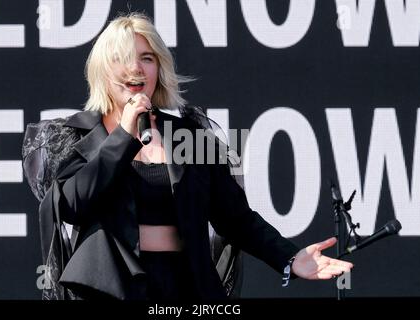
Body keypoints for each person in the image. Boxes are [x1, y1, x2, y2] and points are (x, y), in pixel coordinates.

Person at [22, 12, 353, 301]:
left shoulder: (190, 136)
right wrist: (123, 136)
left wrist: (291, 259)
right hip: (113, 289)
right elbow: (69, 204)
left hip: (185, 287)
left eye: (147, 58)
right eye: (122, 58)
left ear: (159, 69)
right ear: (103, 72)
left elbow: (235, 218)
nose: (135, 67)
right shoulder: (75, 136)